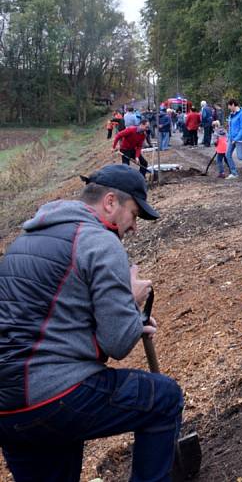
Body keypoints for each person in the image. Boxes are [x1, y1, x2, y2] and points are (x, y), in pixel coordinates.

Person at [0, 164, 183, 481]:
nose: (134, 228)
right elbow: (118, 343)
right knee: (164, 398)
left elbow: (52, 318)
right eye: (135, 215)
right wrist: (130, 298)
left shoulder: (23, 242)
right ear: (110, 202)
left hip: (8, 409)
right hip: (54, 395)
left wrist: (133, 319)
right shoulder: (99, 241)